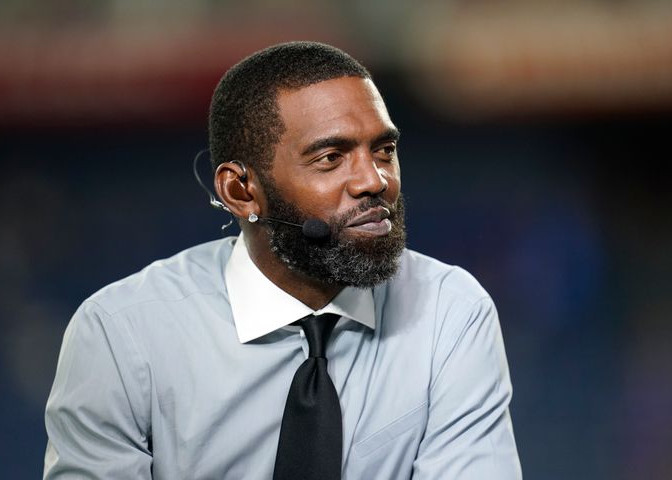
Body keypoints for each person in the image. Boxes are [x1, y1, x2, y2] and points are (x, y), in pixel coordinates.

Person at [43, 41, 521, 479]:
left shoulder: (450, 311)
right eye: (331, 158)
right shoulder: (122, 335)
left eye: (385, 150)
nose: (375, 181)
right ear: (240, 190)